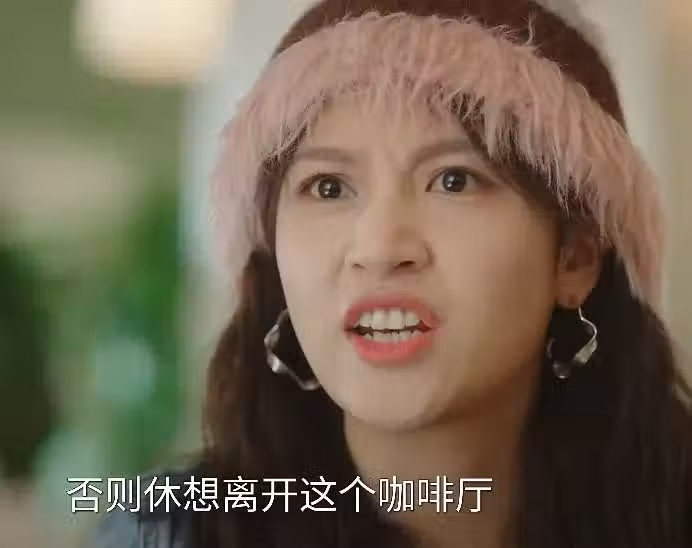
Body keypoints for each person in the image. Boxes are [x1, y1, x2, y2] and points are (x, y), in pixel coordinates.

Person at [90, 0, 692, 547]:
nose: (379, 248)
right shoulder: (166, 534)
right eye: (328, 187)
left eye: (454, 180)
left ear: (575, 258)